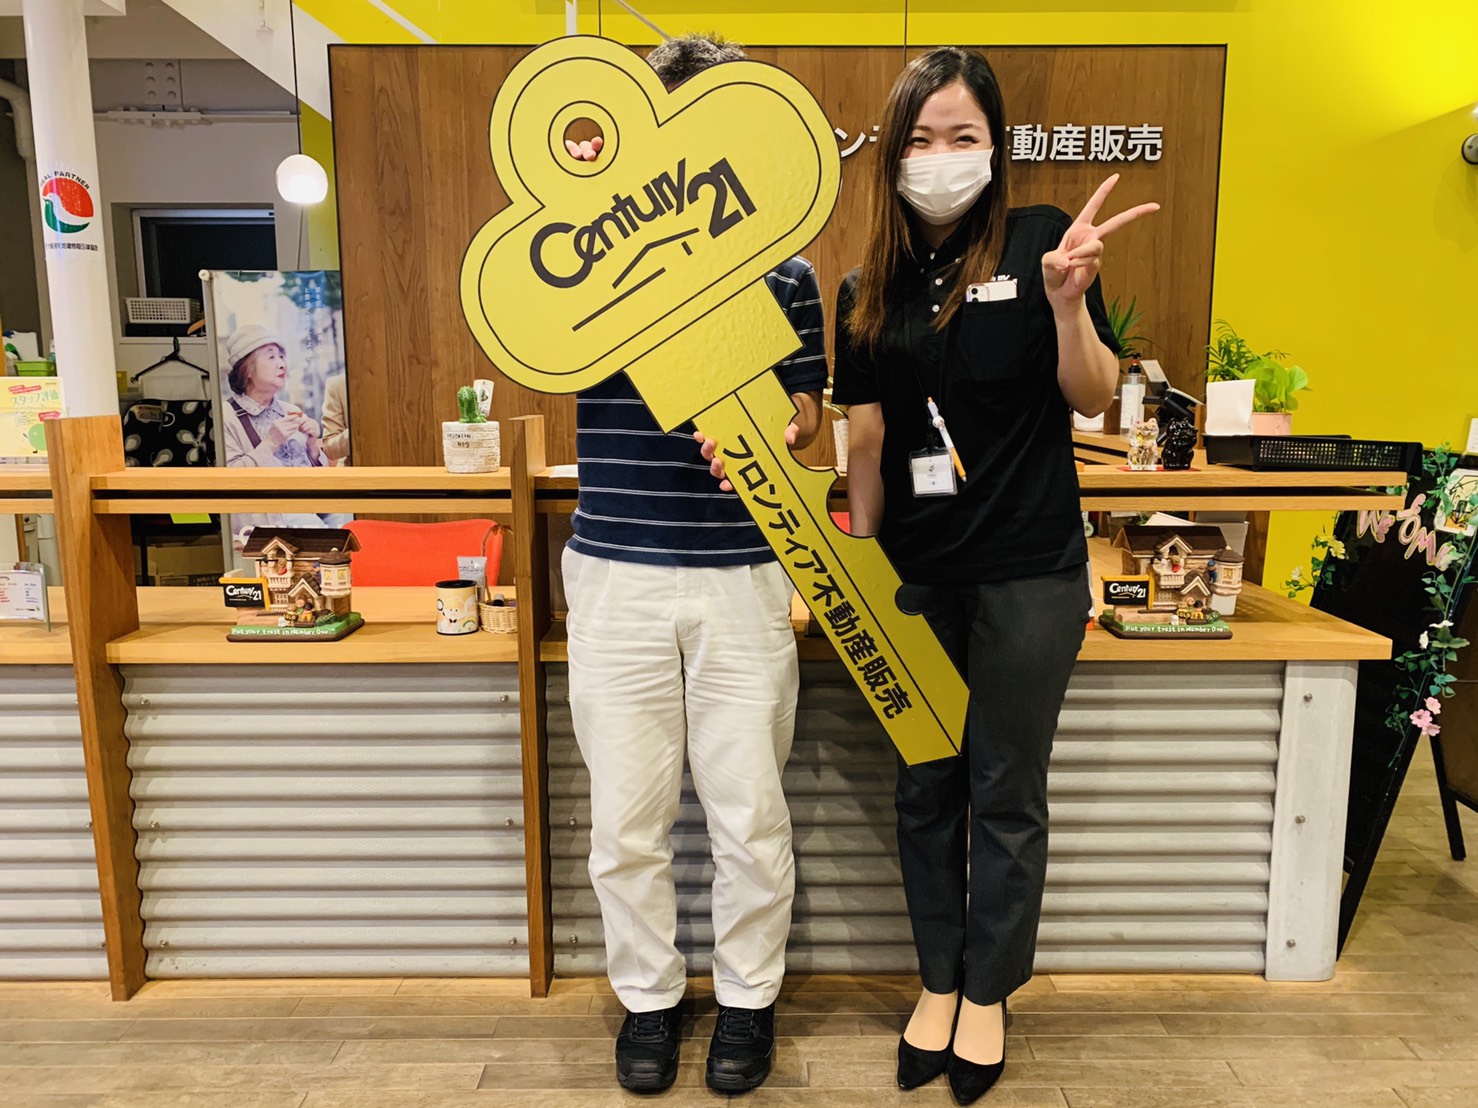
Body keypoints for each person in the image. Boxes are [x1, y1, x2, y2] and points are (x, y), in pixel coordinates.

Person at [830, 47, 1157, 1105]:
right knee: (925, 785)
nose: (940, 156)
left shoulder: (1041, 239)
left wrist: (1067, 304)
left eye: (962, 136)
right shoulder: (864, 288)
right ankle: (937, 978)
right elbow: (866, 444)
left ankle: (987, 991)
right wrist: (855, 559)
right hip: (916, 581)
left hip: (1028, 574)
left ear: (995, 146)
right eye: (920, 138)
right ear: (893, 153)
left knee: (1005, 789)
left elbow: (1092, 396)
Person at [560, 33, 827, 1097]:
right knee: (624, 819)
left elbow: (809, 415)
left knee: (748, 809)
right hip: (614, 566)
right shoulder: (584, 253)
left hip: (743, 569)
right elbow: (540, 343)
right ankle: (650, 997)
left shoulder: (788, 270)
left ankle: (749, 999)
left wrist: (779, 423)